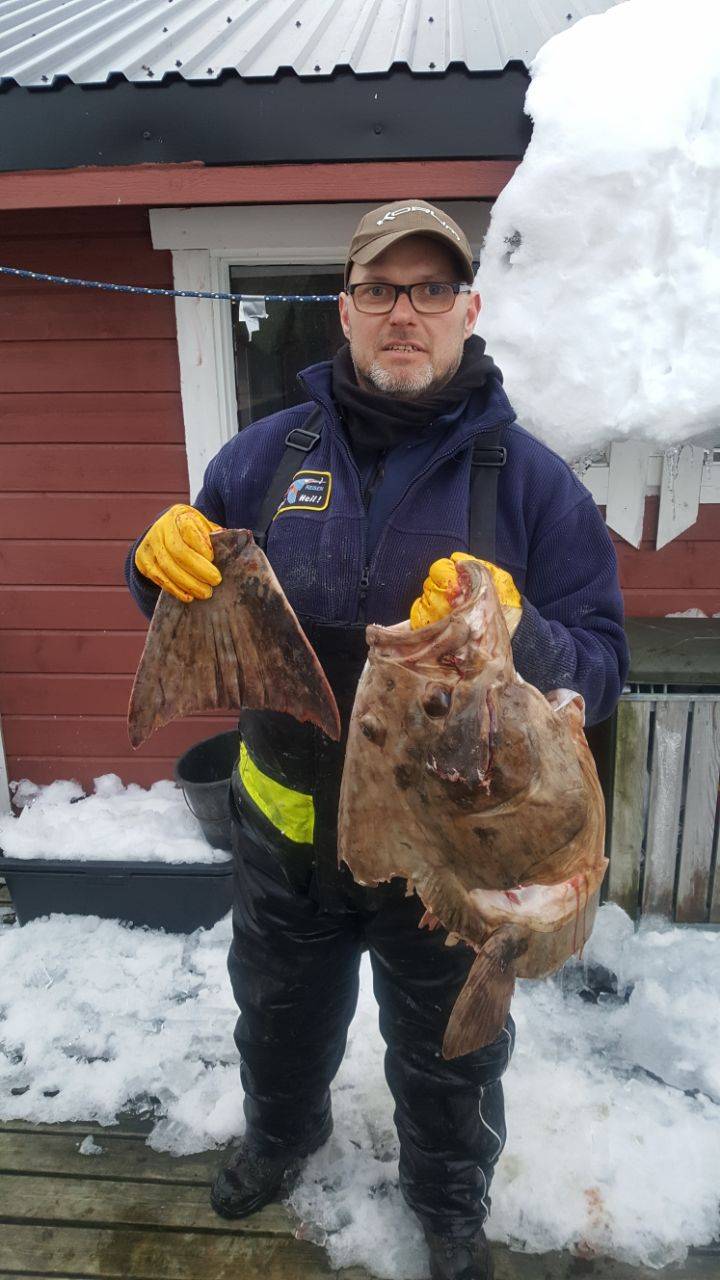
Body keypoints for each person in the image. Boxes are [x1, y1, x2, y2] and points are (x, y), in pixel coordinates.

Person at [125, 200, 629, 1280]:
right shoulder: (263, 459)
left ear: (469, 309)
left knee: (453, 1059)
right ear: (343, 310)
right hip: (284, 838)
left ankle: (448, 1199)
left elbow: (601, 664)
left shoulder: (534, 485)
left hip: (446, 864)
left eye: (431, 289)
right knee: (276, 1022)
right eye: (378, 290)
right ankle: (280, 1138)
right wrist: (151, 563)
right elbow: (191, 609)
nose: (405, 311)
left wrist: (523, 625)